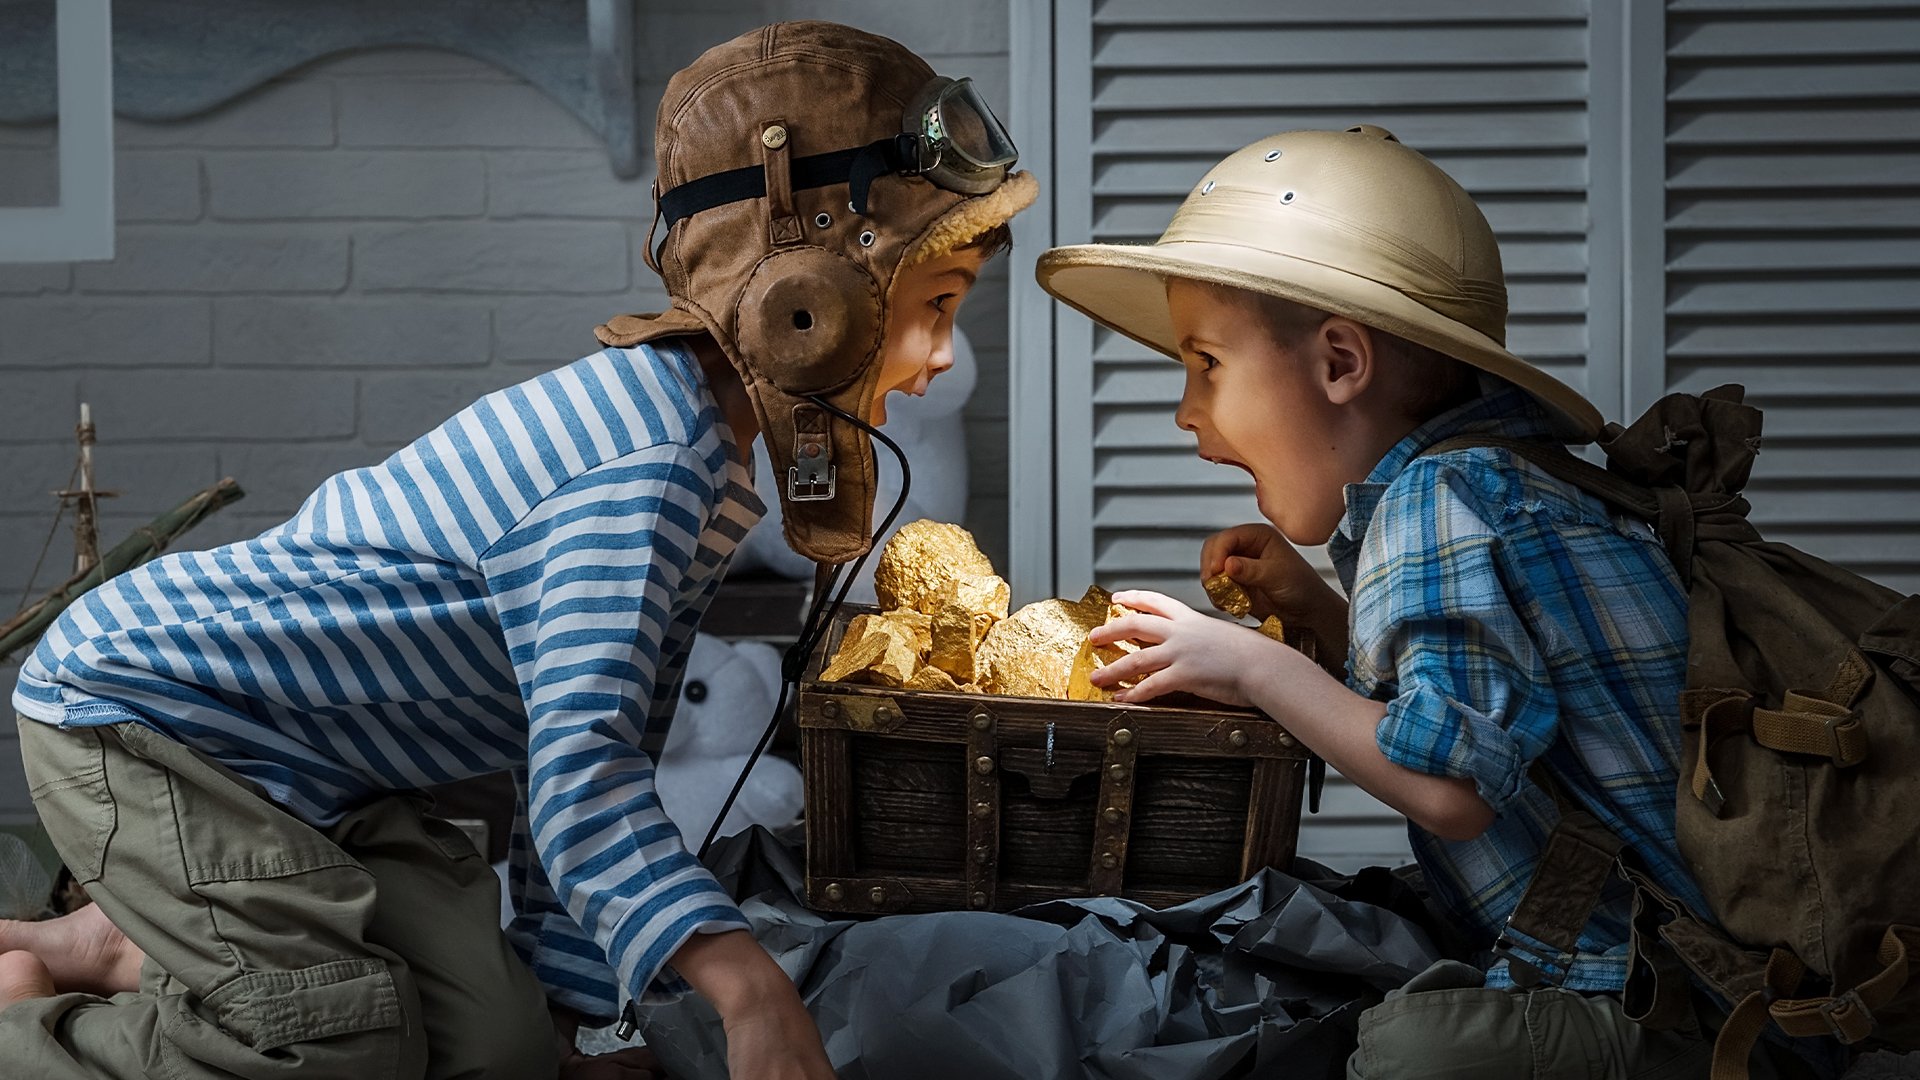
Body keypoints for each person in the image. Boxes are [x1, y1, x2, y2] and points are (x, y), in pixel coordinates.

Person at [1, 21, 1035, 1080]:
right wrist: (749, 989)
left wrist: (572, 1026)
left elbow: (594, 752)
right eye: (935, 309)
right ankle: (29, 1024)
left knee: (494, 1051)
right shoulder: (639, 469)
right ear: (803, 305)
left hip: (308, 768)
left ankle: (136, 943)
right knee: (336, 1050)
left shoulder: (703, 468)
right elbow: (583, 782)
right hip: (152, 719)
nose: (937, 359)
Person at [1035, 125, 1820, 1078]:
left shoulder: (1437, 502)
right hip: (1682, 970)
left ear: (1338, 364)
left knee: (1405, 1055)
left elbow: (1452, 790)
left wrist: (1254, 661)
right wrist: (1317, 613)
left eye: (1206, 363)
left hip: (1688, 1010)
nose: (1186, 410)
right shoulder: (1502, 479)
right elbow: (1484, 707)